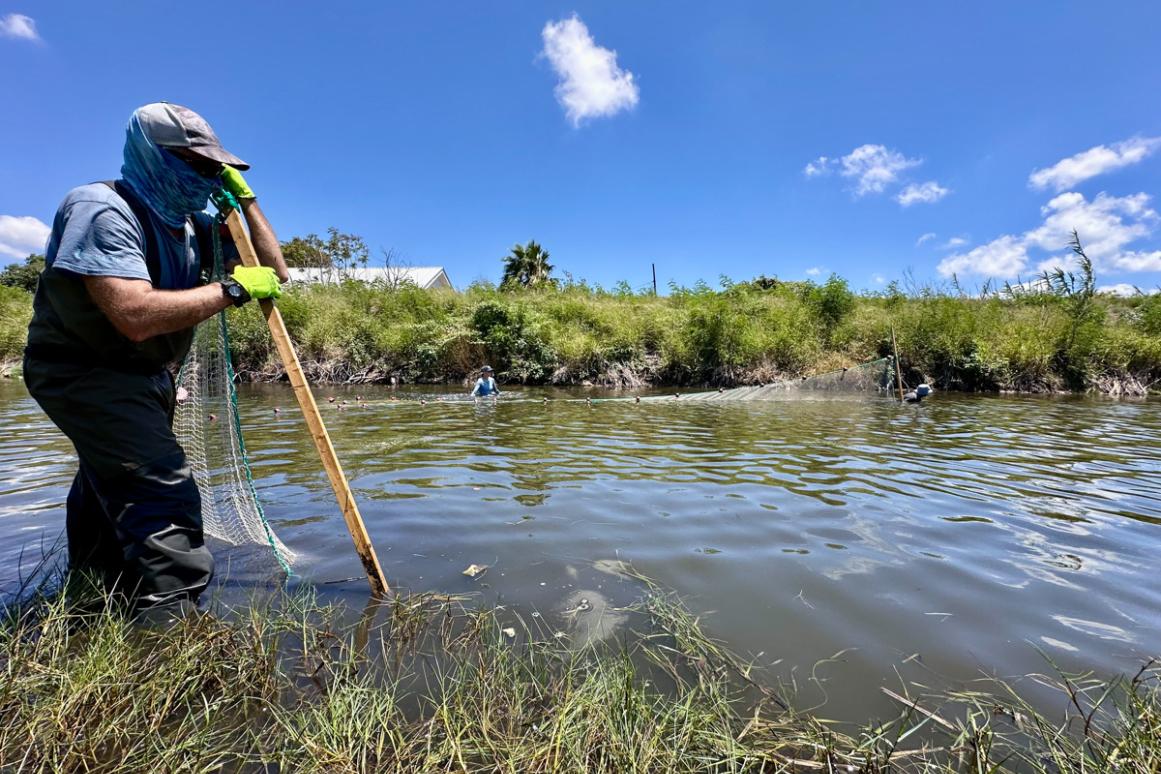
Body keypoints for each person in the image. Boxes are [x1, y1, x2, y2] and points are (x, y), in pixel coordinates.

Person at [23, 102, 289, 623]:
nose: (205, 177)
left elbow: (275, 271)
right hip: (84, 372)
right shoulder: (102, 209)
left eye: (215, 168)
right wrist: (232, 288)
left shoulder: (192, 225)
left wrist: (246, 202)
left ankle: (95, 597)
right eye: (195, 164)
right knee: (162, 491)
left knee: (111, 481)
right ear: (151, 156)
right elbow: (135, 315)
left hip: (146, 375)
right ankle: (170, 636)